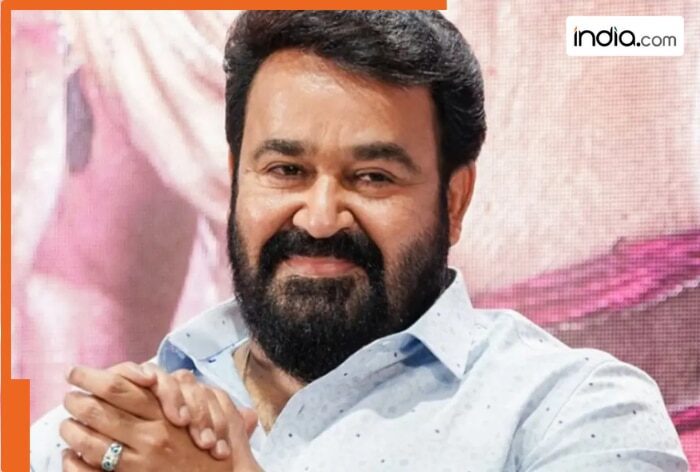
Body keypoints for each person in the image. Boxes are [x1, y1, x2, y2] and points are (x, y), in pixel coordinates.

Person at [30, 10, 688, 471]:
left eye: (372, 177)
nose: (319, 218)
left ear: (454, 201)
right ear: (236, 180)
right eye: (285, 171)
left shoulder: (575, 410)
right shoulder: (100, 438)